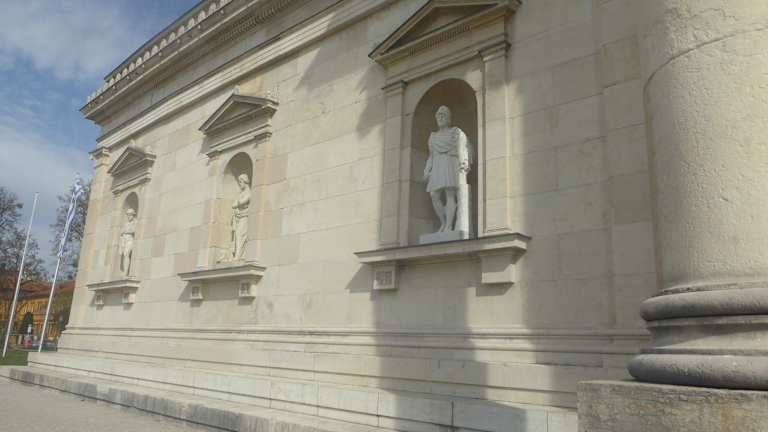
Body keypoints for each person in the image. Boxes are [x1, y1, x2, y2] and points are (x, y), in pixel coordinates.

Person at [422, 105, 471, 233]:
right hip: (437, 164)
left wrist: (464, 162)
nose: (440, 118)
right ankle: (443, 222)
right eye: (438, 115)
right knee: (434, 195)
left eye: (443, 115)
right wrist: (426, 170)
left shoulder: (455, 132)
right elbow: (431, 156)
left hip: (450, 162)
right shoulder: (433, 137)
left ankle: (448, 226)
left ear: (449, 118)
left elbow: (463, 148)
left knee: (450, 194)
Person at [231, 173, 251, 260]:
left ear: (245, 182)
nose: (239, 184)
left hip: (245, 217)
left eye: (240, 182)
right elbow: (233, 205)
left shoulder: (249, 193)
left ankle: (239, 255)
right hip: (239, 218)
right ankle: (238, 254)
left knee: (240, 235)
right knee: (237, 236)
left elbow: (240, 202)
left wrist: (238, 202)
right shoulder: (242, 193)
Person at [119, 208, 137, 276]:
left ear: (133, 215)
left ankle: (125, 272)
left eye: (130, 215)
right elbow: (122, 232)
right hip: (124, 240)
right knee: (124, 255)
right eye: (127, 215)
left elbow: (134, 230)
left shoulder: (135, 222)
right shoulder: (126, 224)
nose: (128, 216)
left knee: (127, 254)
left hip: (130, 239)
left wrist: (126, 231)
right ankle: (125, 272)